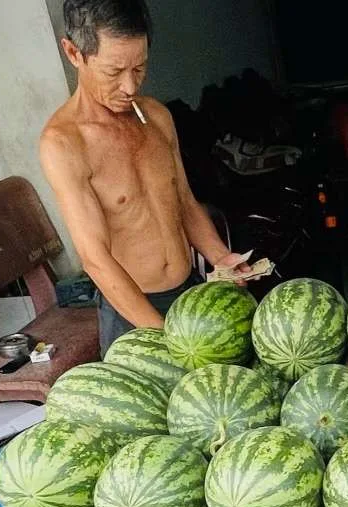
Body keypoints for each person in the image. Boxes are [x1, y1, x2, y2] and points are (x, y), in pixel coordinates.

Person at [40, 0, 252, 354]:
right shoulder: (64, 143)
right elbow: (95, 257)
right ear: (73, 53)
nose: (129, 86)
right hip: (132, 313)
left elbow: (182, 200)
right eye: (114, 71)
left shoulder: (156, 116)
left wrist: (221, 257)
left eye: (139, 68)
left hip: (191, 294)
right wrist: (164, 336)